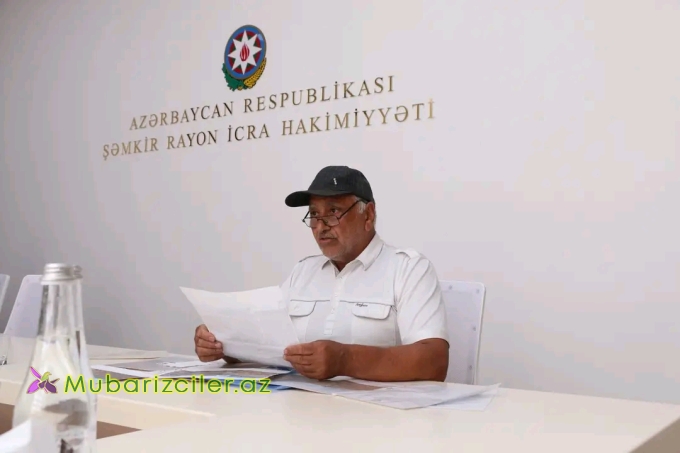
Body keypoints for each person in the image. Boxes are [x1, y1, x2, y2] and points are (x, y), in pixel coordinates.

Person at [194, 166, 449, 381]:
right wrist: (223, 344)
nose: (320, 226)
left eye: (333, 212)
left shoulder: (408, 268)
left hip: (378, 416)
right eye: (314, 214)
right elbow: (267, 345)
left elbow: (434, 361)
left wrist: (345, 360)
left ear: (368, 215)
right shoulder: (304, 271)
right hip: (300, 408)